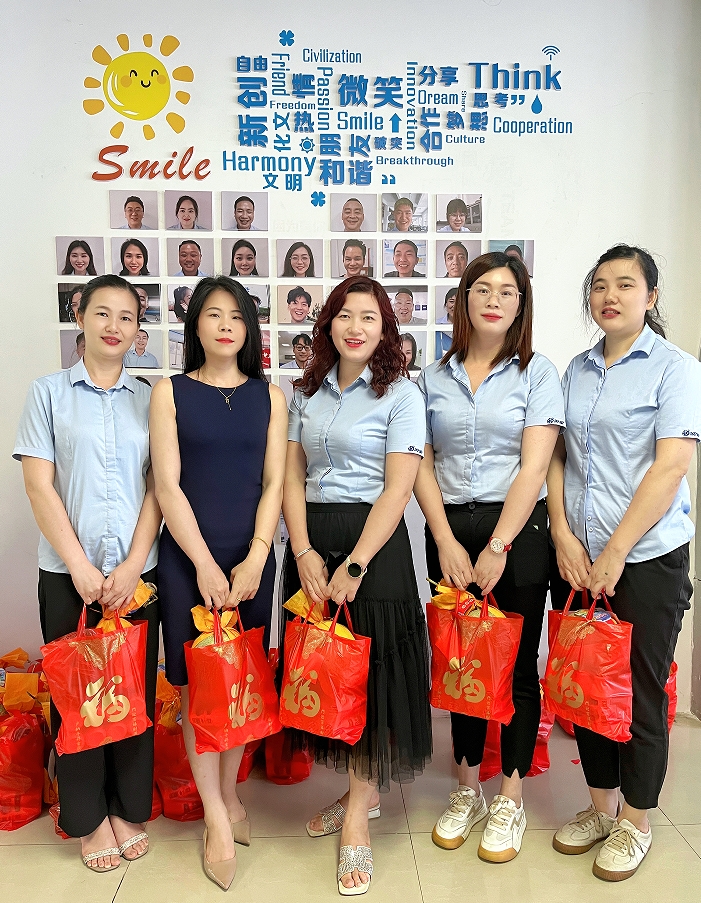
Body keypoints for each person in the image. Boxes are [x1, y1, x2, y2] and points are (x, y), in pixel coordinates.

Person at [547, 244, 701, 882]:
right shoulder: (577, 370)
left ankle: (636, 820)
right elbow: (557, 455)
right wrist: (561, 533)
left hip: (645, 559)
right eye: (600, 285)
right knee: (586, 685)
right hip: (579, 558)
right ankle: (601, 806)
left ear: (651, 297)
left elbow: (671, 466)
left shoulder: (676, 369)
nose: (610, 296)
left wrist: (615, 551)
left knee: (639, 690)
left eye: (626, 284)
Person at [282, 275, 432, 895]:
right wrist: (302, 551)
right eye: (345, 315)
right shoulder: (305, 392)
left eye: (369, 317)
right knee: (328, 674)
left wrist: (354, 565)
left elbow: (399, 489)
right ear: (328, 324)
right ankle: (358, 793)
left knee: (372, 679)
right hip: (313, 541)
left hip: (374, 547)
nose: (356, 327)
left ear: (385, 330)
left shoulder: (401, 394)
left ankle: (357, 822)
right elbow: (291, 478)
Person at [414, 251, 564, 864]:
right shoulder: (433, 377)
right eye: (482, 288)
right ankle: (467, 789)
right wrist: (446, 539)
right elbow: (420, 464)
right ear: (463, 300)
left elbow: (534, 466)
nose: (494, 299)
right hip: (450, 528)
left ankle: (510, 797)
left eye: (507, 290)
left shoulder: (538, 373)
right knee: (462, 661)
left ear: (520, 304)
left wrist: (499, 544)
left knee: (517, 665)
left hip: (518, 531)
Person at [13, 274, 161, 872]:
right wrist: (77, 563)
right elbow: (38, 484)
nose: (113, 326)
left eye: (126, 317)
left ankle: (126, 807)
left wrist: (132, 564)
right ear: (80, 317)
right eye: (102, 313)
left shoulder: (150, 398)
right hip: (66, 575)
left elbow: (160, 487)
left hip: (135, 575)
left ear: (138, 330)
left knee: (132, 693)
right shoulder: (48, 393)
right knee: (78, 699)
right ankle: (86, 816)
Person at [150, 275, 287, 891]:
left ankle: (230, 792)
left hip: (251, 560)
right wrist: (204, 565)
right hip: (189, 561)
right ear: (195, 326)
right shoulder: (170, 392)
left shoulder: (270, 396)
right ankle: (214, 816)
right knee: (199, 687)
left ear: (249, 327)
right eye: (212, 314)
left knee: (242, 684)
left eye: (236, 314)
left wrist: (256, 556)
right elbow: (167, 485)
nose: (225, 324)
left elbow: (274, 483)